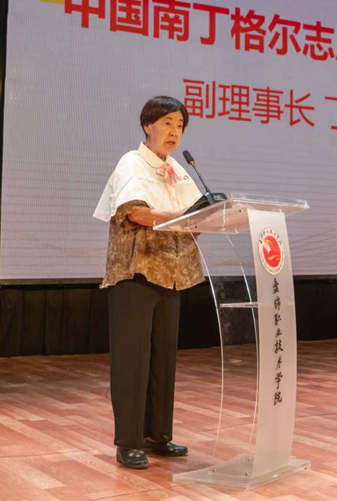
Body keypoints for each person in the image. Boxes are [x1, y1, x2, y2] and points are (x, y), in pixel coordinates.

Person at [93, 96, 204, 469]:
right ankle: (128, 441)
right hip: (136, 273)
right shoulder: (132, 162)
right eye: (168, 123)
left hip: (172, 274)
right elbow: (134, 212)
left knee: (163, 358)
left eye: (180, 125)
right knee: (133, 359)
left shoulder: (176, 169)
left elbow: (198, 212)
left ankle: (158, 435)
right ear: (147, 125)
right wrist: (177, 216)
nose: (175, 132)